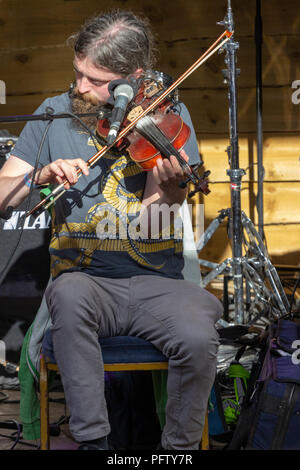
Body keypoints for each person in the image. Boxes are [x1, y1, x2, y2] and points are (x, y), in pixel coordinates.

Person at [0, 10, 222, 450]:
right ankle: (94, 443)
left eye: (95, 80)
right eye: (78, 73)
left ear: (132, 78)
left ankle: (177, 450)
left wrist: (170, 187)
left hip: (156, 281)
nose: (81, 87)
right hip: (85, 281)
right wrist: (39, 175)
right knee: (66, 295)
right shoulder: (54, 114)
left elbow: (150, 222)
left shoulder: (168, 116)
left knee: (200, 331)